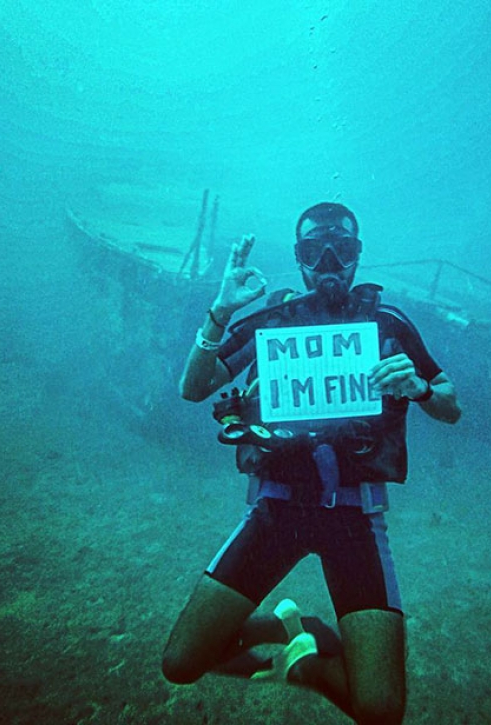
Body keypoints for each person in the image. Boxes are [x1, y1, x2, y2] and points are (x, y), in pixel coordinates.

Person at [162, 202, 461, 724]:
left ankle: (309, 664)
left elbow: (449, 404)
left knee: (380, 710)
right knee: (181, 663)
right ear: (299, 258)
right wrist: (220, 310)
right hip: (277, 510)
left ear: (357, 255)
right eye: (313, 252)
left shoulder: (387, 324)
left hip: (355, 518)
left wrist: (417, 387)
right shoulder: (273, 323)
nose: (328, 264)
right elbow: (194, 388)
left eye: (341, 250)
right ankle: (283, 631)